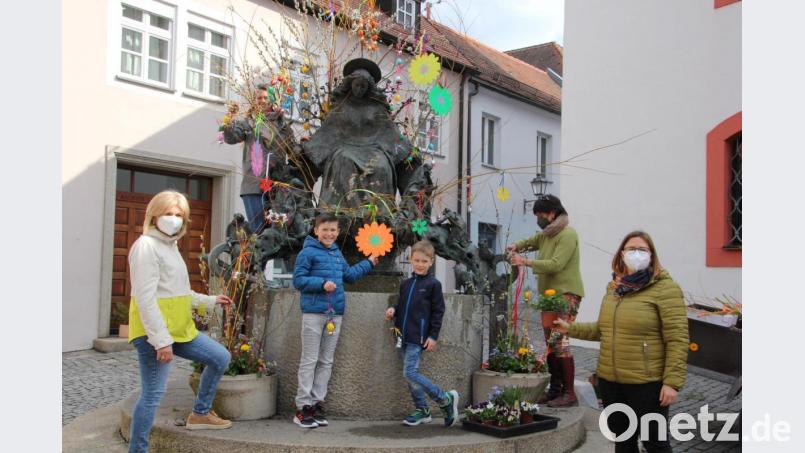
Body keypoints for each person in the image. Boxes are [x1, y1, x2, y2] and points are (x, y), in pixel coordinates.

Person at [554, 231, 688, 453]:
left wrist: (672, 383)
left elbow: (677, 338)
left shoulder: (665, 289)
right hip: (611, 382)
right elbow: (602, 329)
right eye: (631, 249)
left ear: (652, 256)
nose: (636, 253)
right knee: (623, 441)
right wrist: (571, 328)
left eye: (642, 249)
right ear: (621, 254)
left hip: (646, 384)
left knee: (655, 444)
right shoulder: (615, 288)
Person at [127, 190, 234, 453]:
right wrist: (161, 341)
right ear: (154, 215)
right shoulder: (146, 246)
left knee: (220, 357)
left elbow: (177, 293)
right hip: (154, 335)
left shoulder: (169, 246)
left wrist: (209, 300)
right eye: (168, 214)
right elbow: (146, 298)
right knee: (152, 395)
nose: (174, 219)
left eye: (179, 215)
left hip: (178, 330)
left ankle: (200, 413)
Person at [291, 212, 379, 428]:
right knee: (309, 360)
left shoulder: (337, 254)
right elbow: (298, 280)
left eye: (333, 230)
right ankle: (302, 408)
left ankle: (316, 403)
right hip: (313, 313)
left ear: (338, 233)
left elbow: (348, 275)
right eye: (325, 229)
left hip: (334, 314)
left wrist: (368, 263)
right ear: (316, 230)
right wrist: (322, 283)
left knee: (326, 361)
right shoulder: (307, 252)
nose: (329, 233)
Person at [506, 194, 584, 407]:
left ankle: (569, 393)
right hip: (549, 295)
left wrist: (526, 261)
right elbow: (530, 241)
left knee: (560, 341)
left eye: (540, 215)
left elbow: (556, 264)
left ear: (552, 213)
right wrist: (516, 246)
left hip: (566, 294)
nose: (538, 219)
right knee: (551, 343)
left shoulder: (568, 235)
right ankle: (555, 389)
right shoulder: (546, 234)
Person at [384, 241, 460, 427]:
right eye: (416, 260)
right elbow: (402, 305)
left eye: (424, 261)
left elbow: (438, 312)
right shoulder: (406, 284)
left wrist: (433, 336)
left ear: (431, 262)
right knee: (410, 375)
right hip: (403, 336)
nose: (419, 264)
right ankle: (422, 410)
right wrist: (393, 310)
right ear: (410, 259)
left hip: (419, 337)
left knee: (410, 372)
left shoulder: (433, 284)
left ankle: (444, 398)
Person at [222, 85, 297, 233]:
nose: (262, 101)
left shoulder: (283, 126)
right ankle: (251, 253)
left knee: (277, 229)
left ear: (273, 100)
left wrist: (304, 145)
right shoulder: (248, 123)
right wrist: (228, 124)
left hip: (277, 188)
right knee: (259, 230)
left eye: (266, 98)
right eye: (259, 98)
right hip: (254, 185)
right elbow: (232, 137)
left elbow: (293, 150)